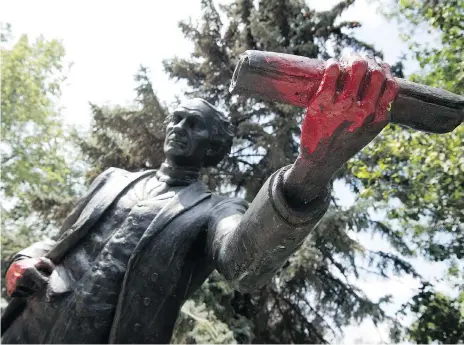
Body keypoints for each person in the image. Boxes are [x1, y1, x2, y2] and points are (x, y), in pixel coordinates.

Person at [2, 53, 398, 344]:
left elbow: (245, 265)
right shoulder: (112, 179)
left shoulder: (214, 210)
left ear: (215, 148)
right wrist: (22, 260)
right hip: (26, 324)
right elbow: (59, 240)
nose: (178, 127)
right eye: (176, 119)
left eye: (194, 124)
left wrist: (313, 167)